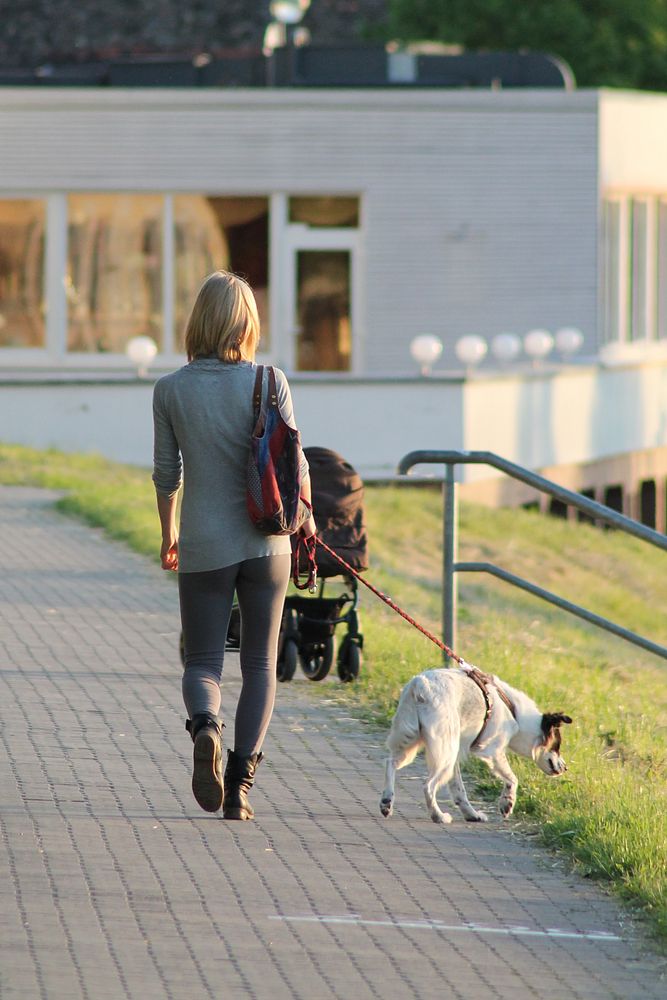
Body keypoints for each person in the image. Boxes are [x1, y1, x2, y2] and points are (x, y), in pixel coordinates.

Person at [152, 270, 315, 820]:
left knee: (201, 661)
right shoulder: (271, 380)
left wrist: (169, 533)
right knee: (260, 665)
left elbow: (165, 473)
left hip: (203, 542)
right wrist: (306, 521)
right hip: (269, 543)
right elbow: (297, 460)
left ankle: (205, 729)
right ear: (248, 324)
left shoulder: (170, 389)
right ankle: (241, 787)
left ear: (198, 320)